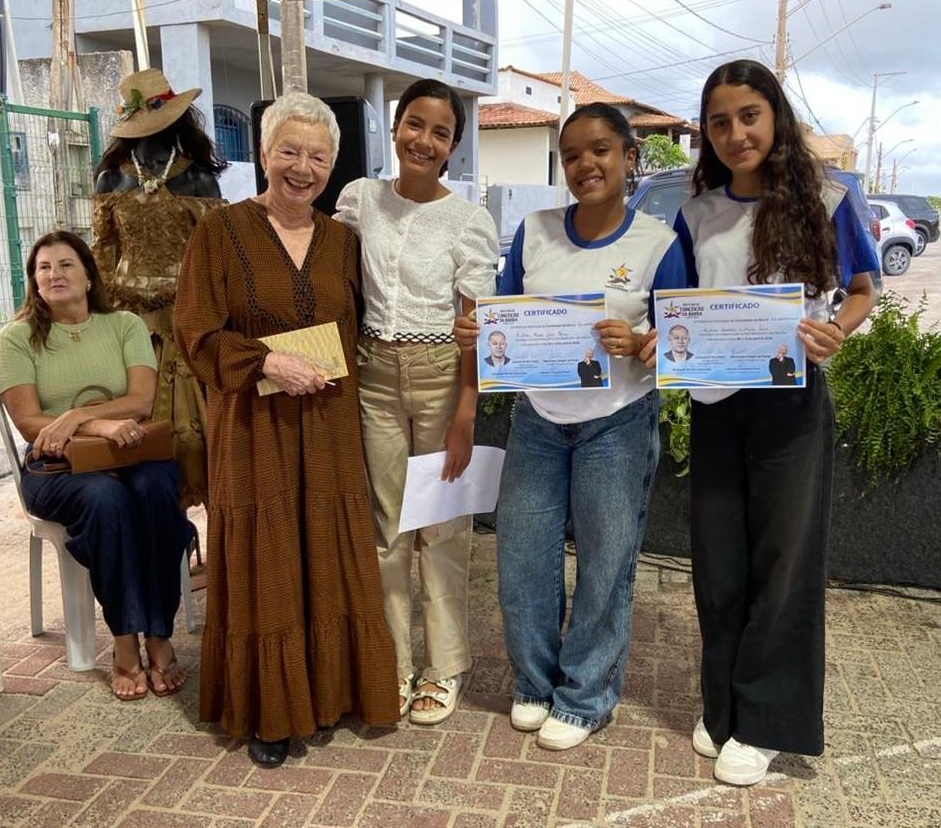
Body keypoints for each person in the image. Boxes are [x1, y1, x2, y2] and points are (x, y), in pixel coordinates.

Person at [649, 59, 878, 786]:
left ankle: (768, 722)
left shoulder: (830, 196)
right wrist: (660, 336)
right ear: (705, 133)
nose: (735, 132)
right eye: (719, 121)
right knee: (719, 562)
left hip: (790, 404)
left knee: (784, 564)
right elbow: (672, 306)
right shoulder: (694, 214)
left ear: (774, 116)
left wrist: (836, 329)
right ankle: (724, 708)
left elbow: (865, 289)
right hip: (716, 406)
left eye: (749, 115)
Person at [174, 92, 399, 768]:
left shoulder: (343, 241)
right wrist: (264, 359)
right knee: (267, 557)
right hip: (253, 425)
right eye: (289, 151)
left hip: (327, 424)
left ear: (333, 164)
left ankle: (329, 693)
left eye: (318, 155)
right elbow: (194, 332)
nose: (303, 167)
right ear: (265, 155)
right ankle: (272, 711)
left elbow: (357, 328)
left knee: (327, 549)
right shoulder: (220, 231)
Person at [457, 103, 686, 750]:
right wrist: (480, 330)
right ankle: (533, 682)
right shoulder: (535, 230)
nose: (587, 163)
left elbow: (684, 343)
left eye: (601, 150)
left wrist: (644, 340)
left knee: (606, 565)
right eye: (574, 154)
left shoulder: (658, 245)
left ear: (629, 157)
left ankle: (586, 694)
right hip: (539, 417)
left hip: (617, 423)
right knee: (522, 556)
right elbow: (505, 315)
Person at [335, 78, 499, 726]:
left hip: (440, 374)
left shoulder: (469, 220)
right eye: (414, 124)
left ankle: (446, 664)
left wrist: (466, 410)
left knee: (443, 525)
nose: (423, 140)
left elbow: (476, 324)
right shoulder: (359, 199)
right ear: (394, 127)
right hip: (373, 372)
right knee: (386, 528)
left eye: (440, 132)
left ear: (453, 147)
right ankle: (394, 661)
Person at [0, 231, 194, 701]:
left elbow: (141, 401)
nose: (53, 274)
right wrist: (102, 427)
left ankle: (158, 633)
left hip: (130, 452)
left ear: (88, 276)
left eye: (65, 265)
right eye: (43, 267)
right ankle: (125, 640)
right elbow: (29, 424)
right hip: (57, 469)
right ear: (33, 281)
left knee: (158, 492)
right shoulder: (17, 338)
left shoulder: (123, 325)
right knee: (106, 499)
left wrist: (78, 416)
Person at [92, 68, 226, 509]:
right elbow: (104, 254)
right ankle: (162, 536)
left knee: (199, 437)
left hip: (187, 319)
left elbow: (214, 259)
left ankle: (207, 540)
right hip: (128, 326)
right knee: (138, 436)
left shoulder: (200, 179)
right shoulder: (111, 179)